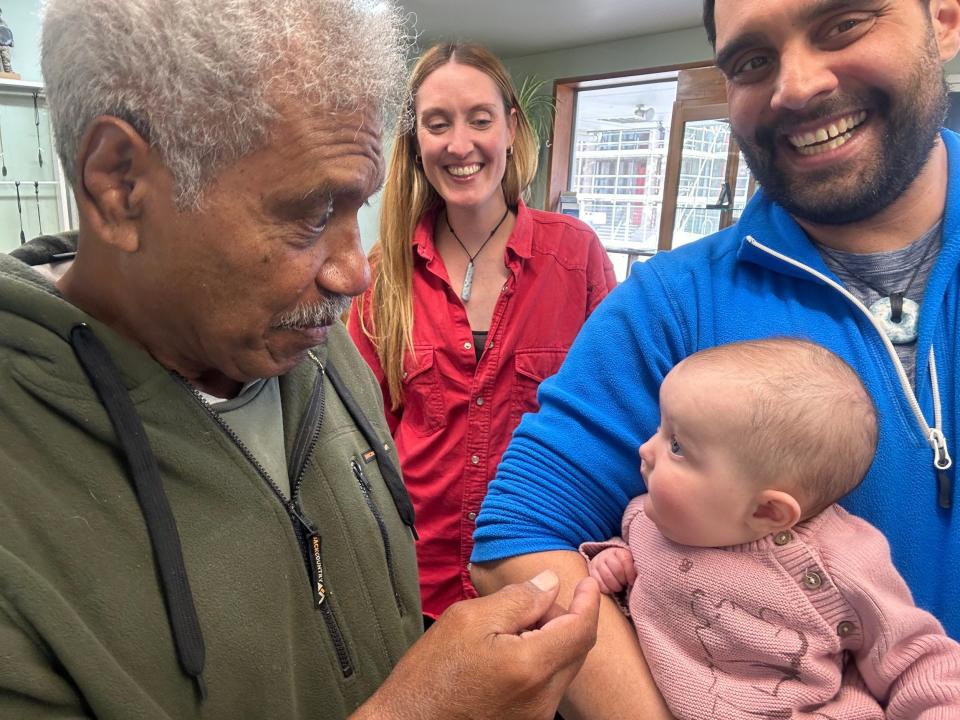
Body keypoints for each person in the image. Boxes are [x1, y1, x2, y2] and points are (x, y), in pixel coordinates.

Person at [0, 1, 601, 718]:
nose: (354, 275)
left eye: (358, 210)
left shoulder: (314, 347)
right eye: (312, 215)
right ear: (120, 183)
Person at [471, 0, 960, 717]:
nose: (796, 85)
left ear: (944, 20)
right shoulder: (669, 306)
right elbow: (516, 536)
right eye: (751, 60)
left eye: (844, 23)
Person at [348, 42, 616, 621]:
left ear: (512, 128)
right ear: (417, 143)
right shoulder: (381, 277)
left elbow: (611, 419)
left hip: (543, 580)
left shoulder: (576, 258)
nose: (460, 144)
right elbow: (361, 442)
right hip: (413, 588)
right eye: (437, 124)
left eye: (480, 119)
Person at [583, 338, 960, 718]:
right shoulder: (645, 520)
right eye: (661, 430)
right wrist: (612, 559)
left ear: (767, 511)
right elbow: (634, 588)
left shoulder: (842, 559)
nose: (646, 449)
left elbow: (916, 658)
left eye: (677, 446)